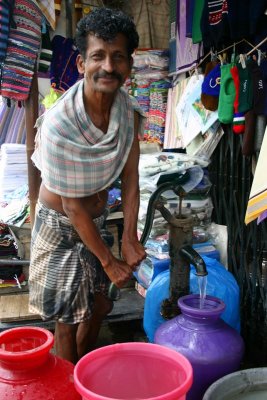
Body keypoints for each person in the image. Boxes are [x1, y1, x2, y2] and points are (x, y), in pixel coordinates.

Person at [29, 7, 147, 364]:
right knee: (67, 321)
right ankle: (71, 386)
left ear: (128, 65)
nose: (108, 67)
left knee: (100, 305)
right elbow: (72, 207)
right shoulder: (59, 124)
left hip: (95, 223)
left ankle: (84, 369)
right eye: (98, 56)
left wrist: (129, 236)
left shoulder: (128, 112)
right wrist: (110, 260)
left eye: (118, 57)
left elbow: (130, 179)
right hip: (61, 227)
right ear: (82, 64)